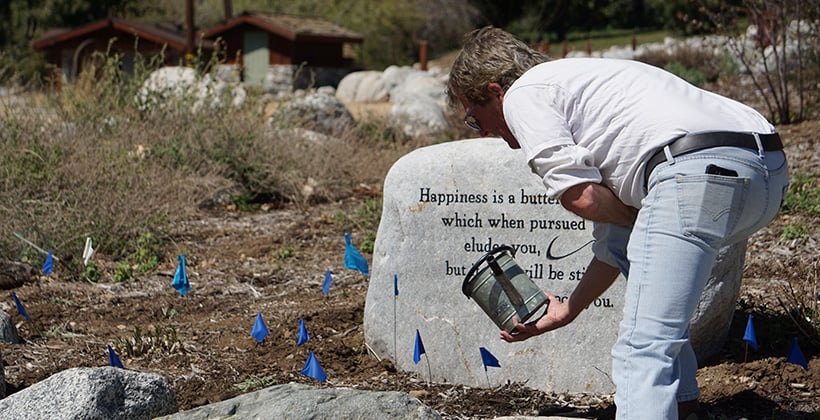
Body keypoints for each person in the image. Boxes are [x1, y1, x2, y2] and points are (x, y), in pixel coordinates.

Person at [446, 26, 789, 419]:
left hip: (694, 171)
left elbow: (582, 197)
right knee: (657, 321)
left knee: (641, 350)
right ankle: (685, 408)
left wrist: (639, 215)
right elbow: (617, 245)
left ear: (494, 91)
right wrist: (569, 309)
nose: (484, 130)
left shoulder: (524, 93)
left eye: (475, 118)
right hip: (767, 172)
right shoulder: (590, 89)